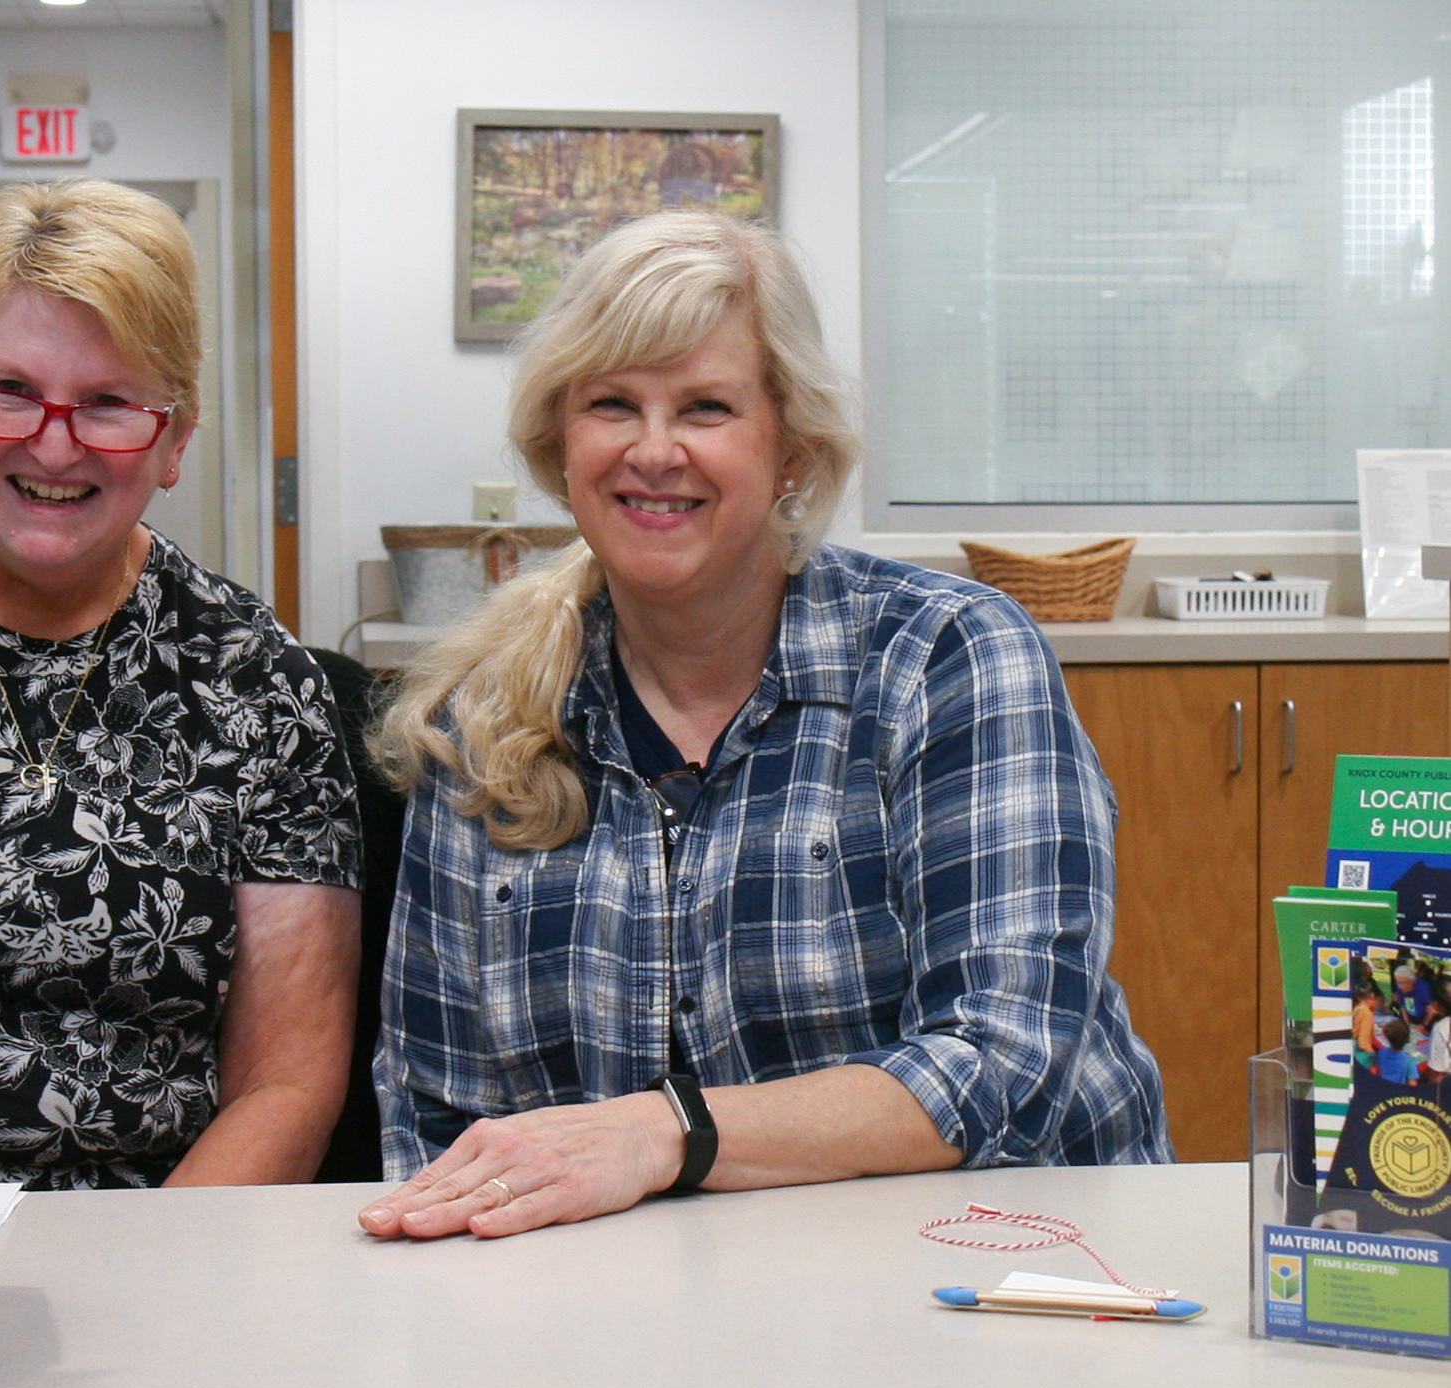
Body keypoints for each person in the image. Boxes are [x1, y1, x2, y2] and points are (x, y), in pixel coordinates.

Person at [360, 211, 1170, 1242]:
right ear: (557, 443)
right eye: (612, 404)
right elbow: (438, 1113)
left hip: (1012, 1266)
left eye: (705, 408)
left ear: (789, 449)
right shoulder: (478, 722)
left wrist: (668, 1134)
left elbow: (1002, 1061)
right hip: (642, 1301)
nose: (653, 452)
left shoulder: (948, 660)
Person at [0, 179, 362, 1189]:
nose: (53, 445)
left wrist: (152, 1293)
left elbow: (286, 1088)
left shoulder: (258, 683)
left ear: (175, 439)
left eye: (108, 404)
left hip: (164, 1242)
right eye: (8, 389)